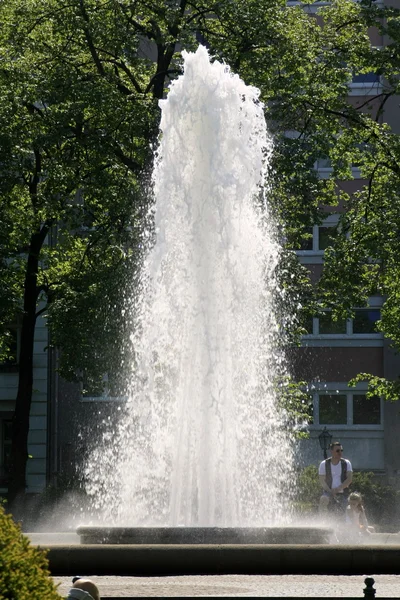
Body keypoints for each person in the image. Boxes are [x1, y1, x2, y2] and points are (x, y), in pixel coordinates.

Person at [318, 441, 353, 513]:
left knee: (346, 509)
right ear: (332, 451)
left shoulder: (346, 463)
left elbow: (349, 479)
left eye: (341, 450)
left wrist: (338, 489)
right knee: (323, 499)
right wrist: (330, 491)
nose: (340, 452)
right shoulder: (324, 464)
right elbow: (322, 481)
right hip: (328, 491)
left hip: (343, 492)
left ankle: (346, 521)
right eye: (337, 451)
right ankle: (322, 521)